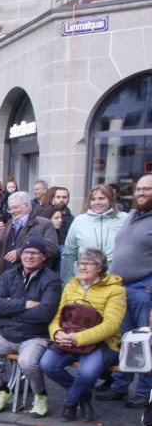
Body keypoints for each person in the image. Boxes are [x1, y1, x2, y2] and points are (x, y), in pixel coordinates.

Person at [0, 236, 61, 417]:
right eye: (26, 252)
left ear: (44, 257)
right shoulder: (8, 275)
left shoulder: (52, 280)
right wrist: (25, 304)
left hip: (35, 336)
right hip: (6, 333)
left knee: (27, 363)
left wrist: (10, 307)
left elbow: (45, 313)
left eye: (35, 253)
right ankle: (2, 391)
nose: (29, 256)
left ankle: (40, 396)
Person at [41, 248, 126, 421]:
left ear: (100, 267)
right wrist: (57, 333)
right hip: (69, 338)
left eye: (88, 264)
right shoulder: (72, 285)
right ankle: (83, 394)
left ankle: (71, 402)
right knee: (47, 364)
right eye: (81, 263)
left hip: (101, 343)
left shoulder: (116, 290)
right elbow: (58, 316)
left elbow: (111, 325)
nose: (83, 267)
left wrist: (77, 338)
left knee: (87, 373)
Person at [97, 173, 152, 407]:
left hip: (145, 291)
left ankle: (144, 391)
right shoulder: (132, 216)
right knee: (124, 341)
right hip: (122, 289)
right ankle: (120, 386)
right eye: (139, 189)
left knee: (146, 344)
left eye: (147, 190)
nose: (141, 193)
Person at [60, 184, 125, 283]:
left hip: (115, 279)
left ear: (111, 200)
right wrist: (66, 282)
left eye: (101, 198)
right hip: (86, 280)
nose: (97, 202)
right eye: (93, 199)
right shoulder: (79, 221)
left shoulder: (124, 219)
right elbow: (69, 254)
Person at [0, 191, 59, 282]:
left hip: (31, 280)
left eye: (15, 207)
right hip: (4, 280)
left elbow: (52, 249)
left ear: (27, 206)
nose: (12, 211)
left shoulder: (44, 224)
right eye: (10, 209)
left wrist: (21, 253)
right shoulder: (8, 225)